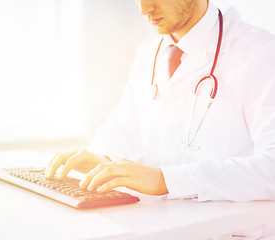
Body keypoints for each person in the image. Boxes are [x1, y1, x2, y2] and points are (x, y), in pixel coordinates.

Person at [46, 0, 275, 238]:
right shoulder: (149, 54)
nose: (144, 9)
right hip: (160, 228)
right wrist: (103, 160)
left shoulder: (262, 54)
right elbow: (124, 129)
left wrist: (167, 180)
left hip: (231, 233)